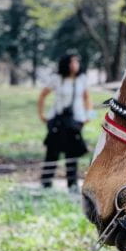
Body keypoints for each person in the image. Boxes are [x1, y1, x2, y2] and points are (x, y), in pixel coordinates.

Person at [37, 52, 91, 190]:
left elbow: (87, 98)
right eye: (72, 62)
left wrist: (89, 116)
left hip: (75, 120)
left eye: (77, 62)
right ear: (66, 64)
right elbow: (42, 95)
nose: (75, 65)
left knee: (72, 153)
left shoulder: (82, 79)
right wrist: (42, 114)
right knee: (52, 151)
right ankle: (46, 183)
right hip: (58, 120)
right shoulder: (57, 79)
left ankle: (72, 185)